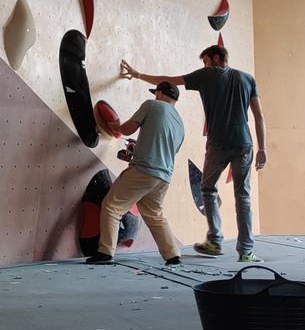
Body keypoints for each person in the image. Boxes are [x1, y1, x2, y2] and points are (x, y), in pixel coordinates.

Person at [120, 45, 268, 263]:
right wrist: (263, 148)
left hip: (218, 144)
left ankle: (215, 241)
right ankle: (246, 251)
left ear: (216, 58)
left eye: (206, 61)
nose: (205, 66)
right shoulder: (248, 79)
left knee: (208, 188)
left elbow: (169, 81)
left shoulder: (207, 75)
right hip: (244, 144)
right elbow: (259, 117)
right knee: (243, 196)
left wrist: (138, 75)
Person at [86, 82, 185, 267]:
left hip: (144, 170)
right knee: (154, 215)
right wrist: (135, 151)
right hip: (163, 178)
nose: (155, 96)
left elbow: (127, 129)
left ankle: (105, 252)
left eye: (156, 93)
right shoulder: (180, 125)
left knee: (111, 206)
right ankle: (173, 255)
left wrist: (116, 125)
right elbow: (162, 149)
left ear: (161, 93)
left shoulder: (152, 104)